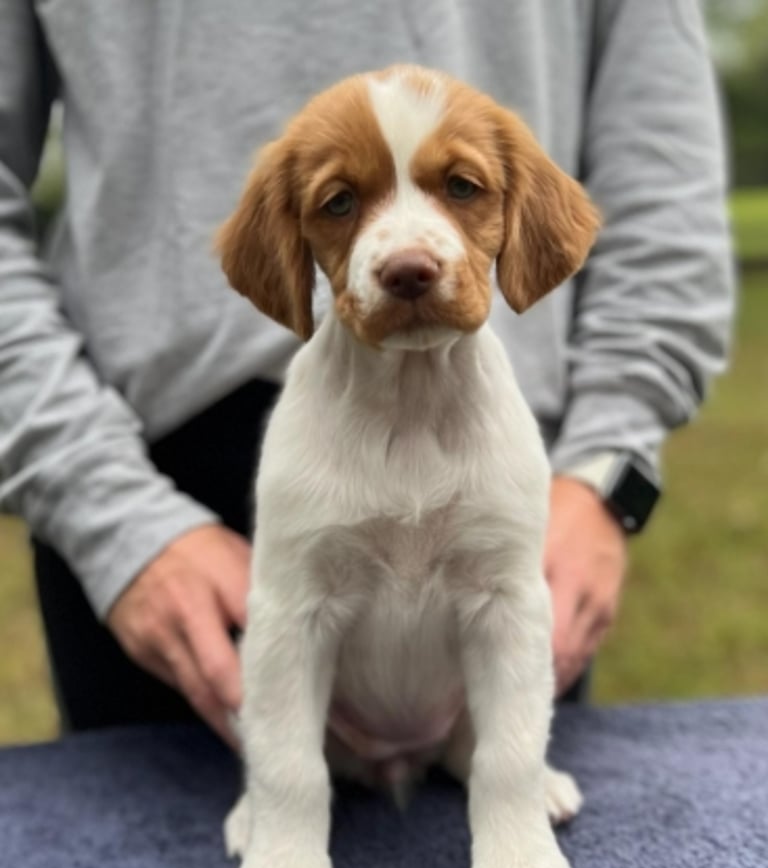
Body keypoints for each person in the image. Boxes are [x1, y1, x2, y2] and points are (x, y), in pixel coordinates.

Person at [0, 1, 733, 745]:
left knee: (510, 829)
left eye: (460, 186)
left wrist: (609, 473)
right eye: (341, 201)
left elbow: (665, 173)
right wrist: (107, 514)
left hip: (505, 468)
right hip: (151, 488)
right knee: (145, 849)